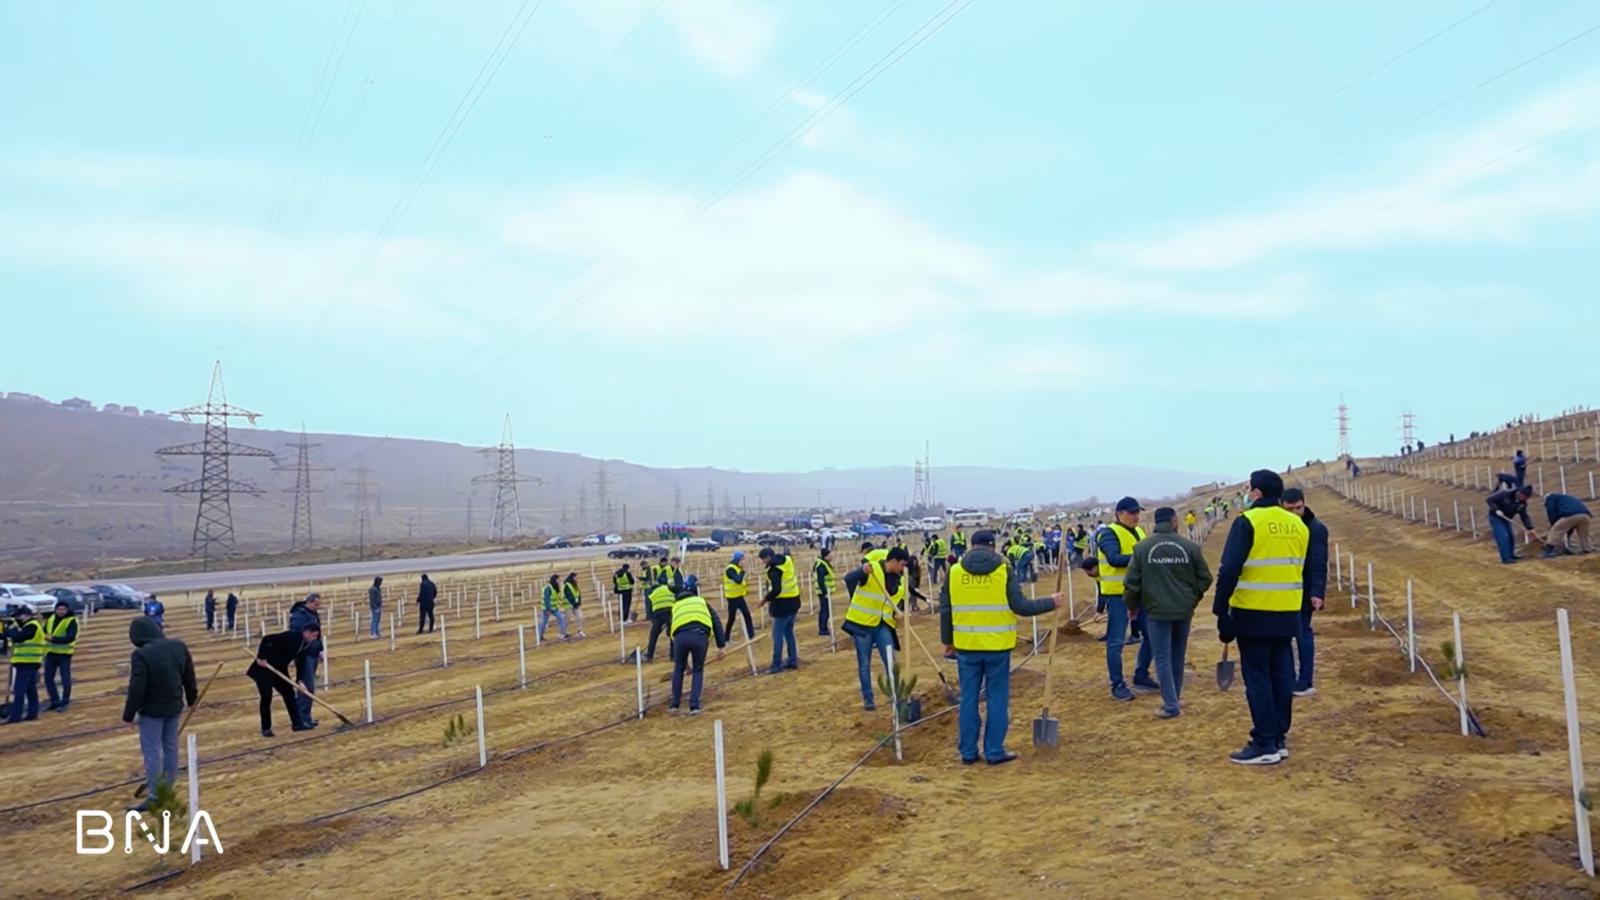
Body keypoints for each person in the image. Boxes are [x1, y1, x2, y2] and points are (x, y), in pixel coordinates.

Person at [1214, 469, 1310, 766]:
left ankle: (1264, 742)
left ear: (1256, 493)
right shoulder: (1298, 525)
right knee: (1282, 675)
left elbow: (1229, 569)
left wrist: (1221, 610)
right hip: (1288, 613)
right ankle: (1279, 738)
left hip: (1253, 612)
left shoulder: (1248, 521)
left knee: (1257, 678)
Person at [939, 530, 1057, 764]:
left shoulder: (954, 572)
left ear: (972, 546)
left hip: (966, 647)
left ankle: (968, 753)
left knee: (968, 699)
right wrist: (1051, 602)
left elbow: (946, 611)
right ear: (993, 547)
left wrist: (947, 642)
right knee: (997, 699)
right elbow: (1021, 606)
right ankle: (994, 751)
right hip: (997, 648)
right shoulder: (1004, 570)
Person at [1123, 508, 1212, 719]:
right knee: (1177, 655)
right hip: (1183, 610)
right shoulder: (1189, 547)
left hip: (1156, 611)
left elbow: (1131, 583)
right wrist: (1192, 598)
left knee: (1162, 657)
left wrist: (1133, 606)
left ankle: (1171, 704)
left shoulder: (1142, 548)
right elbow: (1205, 578)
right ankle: (1175, 698)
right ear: (1174, 521)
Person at [122, 616, 198, 808]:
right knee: (171, 747)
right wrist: (192, 699)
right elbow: (189, 675)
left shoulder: (141, 655)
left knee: (152, 752)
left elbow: (137, 687)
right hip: (174, 706)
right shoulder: (178, 646)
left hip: (152, 711)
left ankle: (156, 796)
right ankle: (167, 788)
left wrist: (129, 715)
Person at [842, 546, 908, 710]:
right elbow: (848, 578)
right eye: (902, 564)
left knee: (891, 661)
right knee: (864, 663)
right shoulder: (872, 570)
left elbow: (895, 597)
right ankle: (869, 700)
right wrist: (862, 571)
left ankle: (896, 696)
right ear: (893, 561)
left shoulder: (897, 577)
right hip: (862, 625)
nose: (903, 568)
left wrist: (899, 612)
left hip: (882, 625)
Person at [1280, 488, 1329, 698]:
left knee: (1302, 633)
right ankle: (1288, 679)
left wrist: (1317, 592)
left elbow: (1319, 563)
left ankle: (1305, 681)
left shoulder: (1316, 529)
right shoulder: (1281, 527)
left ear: (1304, 504)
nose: (1294, 512)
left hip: (1305, 590)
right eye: (1289, 509)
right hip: (1283, 589)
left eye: (1297, 508)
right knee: (1284, 635)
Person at [1098, 497, 1148, 701]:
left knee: (1152, 635)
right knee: (1116, 641)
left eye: (1138, 512)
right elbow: (1114, 558)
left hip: (1140, 593)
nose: (1136, 516)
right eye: (1132, 512)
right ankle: (1117, 684)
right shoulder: (1108, 533)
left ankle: (1141, 674)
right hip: (1118, 594)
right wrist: (1143, 558)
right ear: (1120, 513)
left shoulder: (1141, 532)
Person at [250, 622, 317, 736]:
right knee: (266, 697)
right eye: (313, 635)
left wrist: (300, 681)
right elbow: (267, 639)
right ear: (306, 632)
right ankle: (266, 728)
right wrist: (261, 657)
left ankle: (297, 724)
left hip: (280, 669)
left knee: (289, 694)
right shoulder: (291, 636)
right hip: (264, 669)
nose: (314, 638)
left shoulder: (305, 645)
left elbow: (300, 664)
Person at [667, 588, 726, 715]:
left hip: (680, 638)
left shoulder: (676, 606)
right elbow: (716, 622)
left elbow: (670, 631)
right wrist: (721, 646)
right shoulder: (702, 602)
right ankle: (694, 706)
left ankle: (675, 705)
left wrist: (680, 661)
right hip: (700, 636)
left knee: (678, 668)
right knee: (698, 669)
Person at [758, 546, 802, 673]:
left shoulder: (774, 570)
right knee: (789, 633)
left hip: (782, 606)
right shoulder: (787, 560)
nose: (763, 563)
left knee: (777, 635)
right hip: (794, 602)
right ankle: (793, 660)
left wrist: (765, 599)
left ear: (767, 557)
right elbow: (787, 552)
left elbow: (776, 590)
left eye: (763, 560)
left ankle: (776, 665)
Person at [3, 607, 44, 724]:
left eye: (19, 616)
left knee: (19, 691)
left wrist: (11, 628)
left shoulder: (32, 626)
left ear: (26, 615)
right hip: (27, 663)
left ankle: (16, 716)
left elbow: (18, 637)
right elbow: (6, 635)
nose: (17, 619)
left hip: (28, 663)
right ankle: (32, 713)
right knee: (31, 690)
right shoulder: (26, 626)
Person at [288, 593, 323, 728]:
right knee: (306, 688)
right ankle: (301, 719)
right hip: (303, 655)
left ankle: (305, 717)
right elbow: (297, 635)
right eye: (316, 604)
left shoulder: (313, 614)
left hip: (313, 654)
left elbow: (318, 634)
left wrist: (319, 649)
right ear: (309, 602)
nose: (318, 607)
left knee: (307, 687)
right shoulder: (298, 616)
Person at [1486, 484, 1538, 564]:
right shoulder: (1505, 494)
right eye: (1524, 496)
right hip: (1496, 517)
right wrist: (1496, 509)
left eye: (1527, 498)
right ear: (1519, 493)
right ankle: (1506, 558)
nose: (1525, 499)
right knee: (1503, 537)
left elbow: (1524, 516)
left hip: (1507, 519)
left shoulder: (1522, 504)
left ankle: (1511, 555)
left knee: (1510, 537)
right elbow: (1489, 499)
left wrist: (1530, 528)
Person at [43, 600, 78, 712]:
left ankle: (65, 701)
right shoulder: (51, 619)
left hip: (64, 655)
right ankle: (54, 701)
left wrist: (53, 639)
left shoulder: (71, 621)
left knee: (65, 679)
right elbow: (44, 632)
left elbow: (70, 638)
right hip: (51, 653)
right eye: (59, 609)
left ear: (67, 610)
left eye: (63, 609)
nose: (61, 611)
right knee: (48, 678)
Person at [1542, 492, 1593, 557]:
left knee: (1556, 529)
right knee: (1584, 534)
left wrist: (1553, 523)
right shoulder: (1567, 498)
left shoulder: (1550, 498)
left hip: (1570, 515)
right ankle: (1587, 549)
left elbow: (1551, 510)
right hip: (1585, 515)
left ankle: (1549, 549)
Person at [720, 551, 754, 643]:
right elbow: (738, 580)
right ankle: (726, 638)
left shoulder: (736, 567)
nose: (744, 561)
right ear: (738, 559)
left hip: (739, 596)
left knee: (747, 615)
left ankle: (751, 636)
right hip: (732, 598)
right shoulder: (730, 569)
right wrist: (743, 571)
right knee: (732, 618)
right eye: (743, 559)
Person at [643, 581, 676, 661]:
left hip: (658, 614)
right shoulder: (670, 589)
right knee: (672, 634)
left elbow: (649, 610)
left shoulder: (652, 593)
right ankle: (673, 656)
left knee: (654, 635)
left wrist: (654, 622)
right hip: (671, 612)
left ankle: (649, 655)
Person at [539, 575, 571, 643]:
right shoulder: (548, 588)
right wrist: (548, 609)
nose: (560, 580)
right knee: (543, 623)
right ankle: (540, 636)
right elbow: (546, 599)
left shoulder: (556, 587)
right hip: (547, 609)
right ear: (555, 580)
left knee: (561, 618)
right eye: (559, 579)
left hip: (554, 608)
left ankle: (562, 634)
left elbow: (559, 597)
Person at [814, 547, 835, 636]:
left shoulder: (824, 564)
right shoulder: (821, 565)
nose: (832, 556)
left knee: (825, 610)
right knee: (825, 610)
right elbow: (820, 580)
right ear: (826, 556)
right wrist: (825, 592)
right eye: (830, 555)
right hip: (823, 592)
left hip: (826, 592)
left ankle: (823, 628)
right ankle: (823, 629)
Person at [563, 573, 588, 638]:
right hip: (569, 605)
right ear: (572, 578)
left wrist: (579, 602)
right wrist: (574, 603)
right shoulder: (567, 585)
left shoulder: (575, 585)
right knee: (567, 619)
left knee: (580, 617)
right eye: (576, 577)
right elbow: (568, 596)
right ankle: (563, 633)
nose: (577, 579)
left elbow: (578, 594)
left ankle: (580, 631)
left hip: (576, 605)